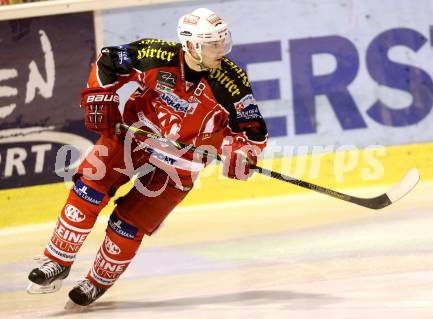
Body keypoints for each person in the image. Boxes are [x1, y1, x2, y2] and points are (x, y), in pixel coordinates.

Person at [27, 7, 268, 307]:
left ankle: (97, 281)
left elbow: (253, 131)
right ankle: (57, 260)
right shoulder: (156, 54)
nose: (221, 50)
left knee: (127, 223)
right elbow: (109, 61)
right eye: (212, 44)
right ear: (191, 45)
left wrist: (242, 154)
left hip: (182, 163)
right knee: (88, 187)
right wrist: (99, 97)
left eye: (223, 42)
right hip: (134, 137)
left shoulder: (232, 82)